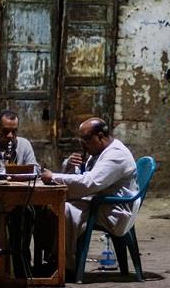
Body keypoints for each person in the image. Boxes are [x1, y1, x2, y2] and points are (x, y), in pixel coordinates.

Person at [40, 117, 138, 274]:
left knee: (65, 210)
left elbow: (89, 183)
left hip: (114, 209)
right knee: (49, 207)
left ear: (100, 136)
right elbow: (85, 175)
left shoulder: (116, 155)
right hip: (99, 202)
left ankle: (67, 265)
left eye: (86, 139)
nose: (82, 144)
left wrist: (54, 177)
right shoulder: (99, 152)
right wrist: (69, 165)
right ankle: (54, 257)